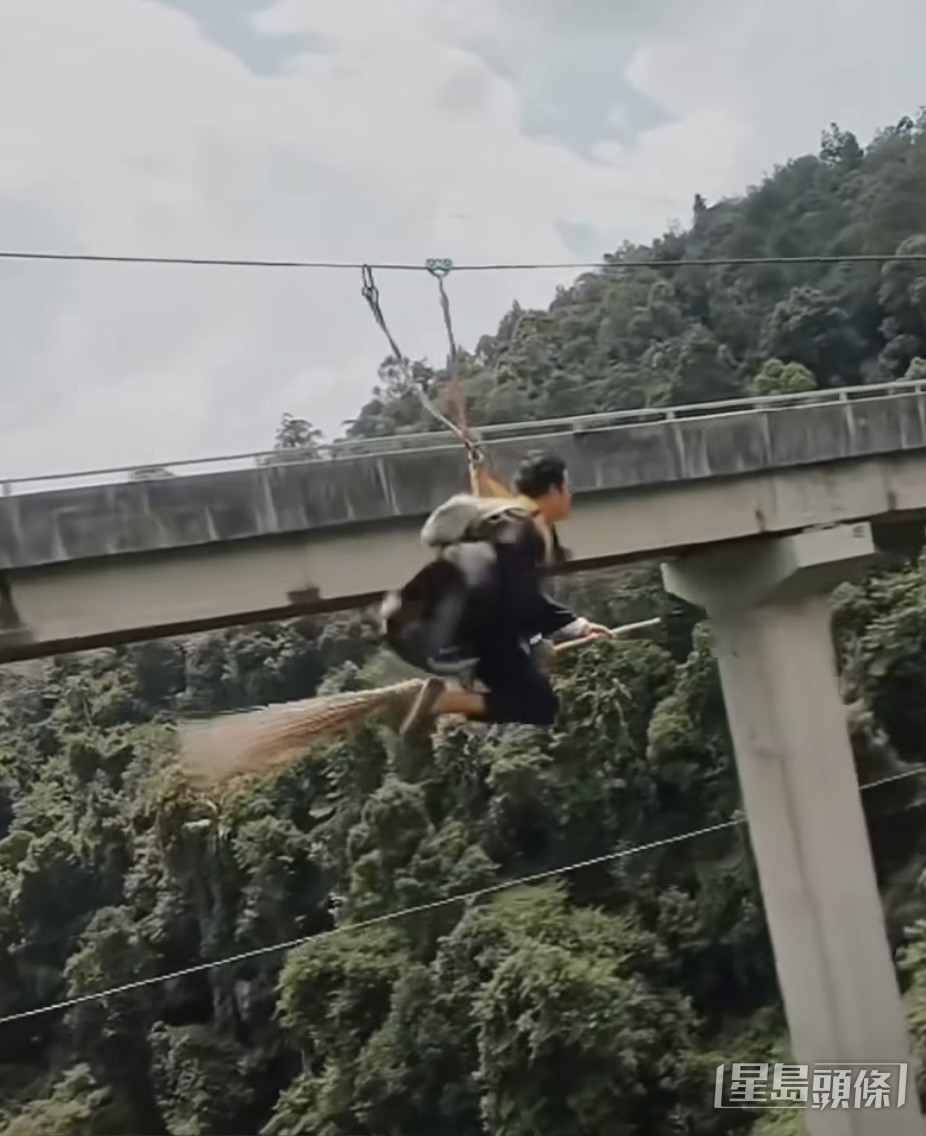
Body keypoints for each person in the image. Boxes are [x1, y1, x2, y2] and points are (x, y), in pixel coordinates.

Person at [381, 451, 613, 737]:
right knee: (538, 704)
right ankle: (442, 701)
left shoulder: (507, 520)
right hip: (458, 630)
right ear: (554, 489)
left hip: (425, 624)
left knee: (537, 701)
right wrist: (573, 627)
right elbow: (518, 597)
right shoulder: (523, 530)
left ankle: (444, 699)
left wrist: (541, 638)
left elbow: (504, 591)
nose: (570, 495)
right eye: (567, 487)